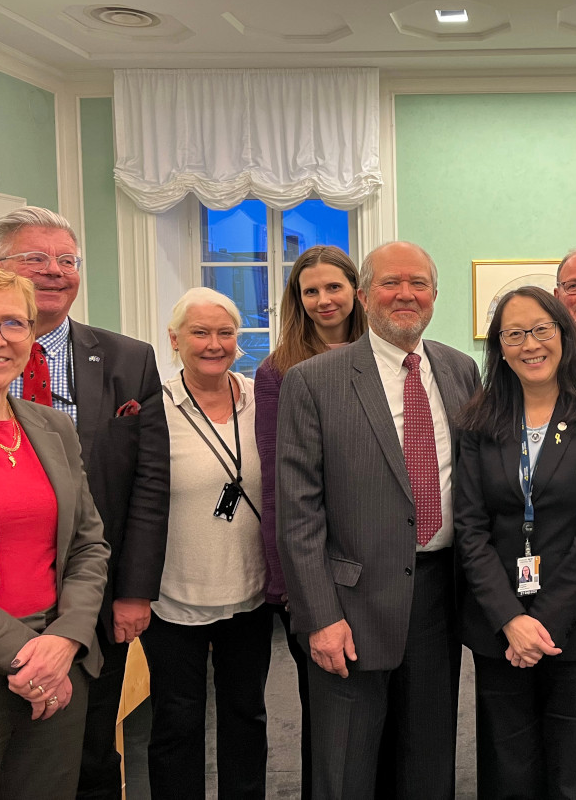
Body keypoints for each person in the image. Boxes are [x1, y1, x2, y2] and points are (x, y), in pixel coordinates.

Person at [277, 241, 480, 799]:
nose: (406, 295)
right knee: (346, 767)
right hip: (351, 603)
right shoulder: (315, 381)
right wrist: (320, 617)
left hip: (440, 596)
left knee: (429, 759)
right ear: (365, 296)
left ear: (435, 296)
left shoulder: (460, 370)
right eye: (391, 283)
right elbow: (298, 513)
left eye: (419, 283)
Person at [0, 206, 170, 800]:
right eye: (35, 257)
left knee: (92, 751)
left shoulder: (128, 359)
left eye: (66, 260)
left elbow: (148, 482)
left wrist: (135, 590)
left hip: (95, 593)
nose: (54, 271)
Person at [0, 264, 109, 799]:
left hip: (60, 667)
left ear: (31, 339)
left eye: (13, 323)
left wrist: (64, 640)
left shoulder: (52, 426)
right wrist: (26, 653)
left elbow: (87, 545)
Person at [455, 286, 576, 799]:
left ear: (563, 334)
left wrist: (543, 622)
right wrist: (511, 620)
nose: (530, 344)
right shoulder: (479, 419)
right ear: (499, 346)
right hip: (499, 628)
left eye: (541, 329)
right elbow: (471, 528)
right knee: (509, 773)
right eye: (514, 333)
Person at [146, 287, 270, 800]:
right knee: (177, 721)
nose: (214, 344)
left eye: (225, 332)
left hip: (251, 591)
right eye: (200, 333)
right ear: (175, 340)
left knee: (247, 715)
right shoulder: (154, 407)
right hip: (174, 594)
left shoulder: (261, 398)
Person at [255, 245, 367, 799]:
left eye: (334, 287)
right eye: (310, 291)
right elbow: (282, 488)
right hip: (315, 566)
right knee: (326, 711)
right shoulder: (278, 372)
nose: (324, 300)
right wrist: (289, 586)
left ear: (356, 290)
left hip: (377, 563)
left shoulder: (388, 357)